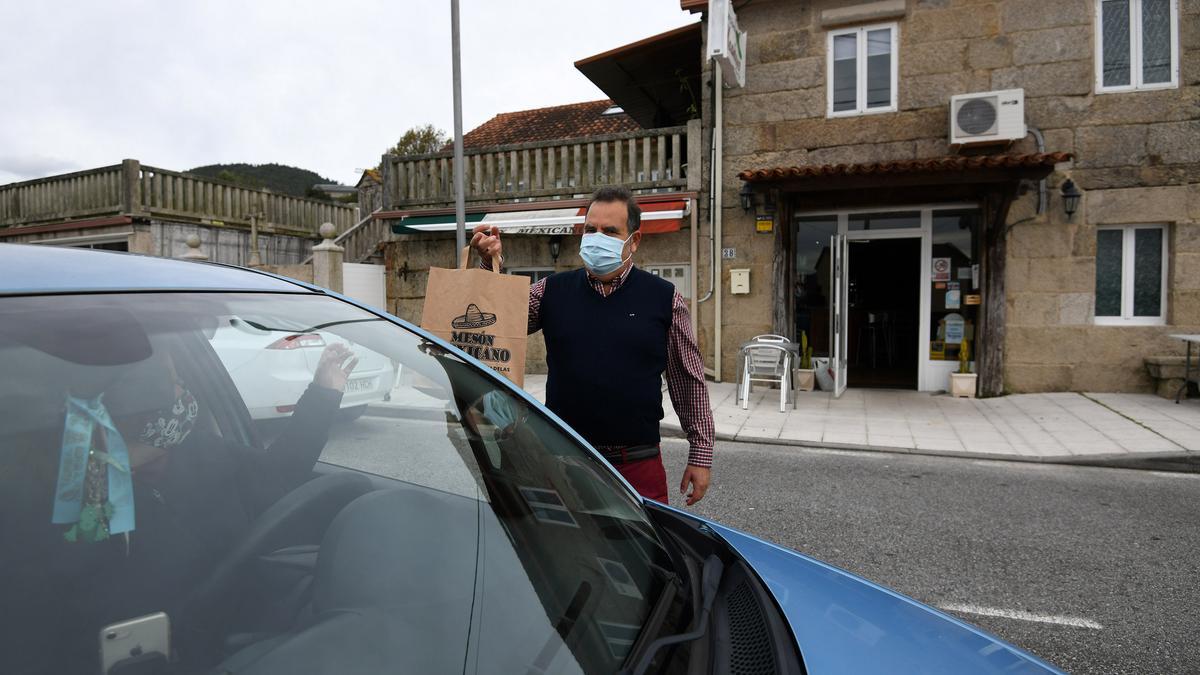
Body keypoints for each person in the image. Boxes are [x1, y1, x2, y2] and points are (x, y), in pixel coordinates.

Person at [2, 337, 358, 675]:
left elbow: (278, 474)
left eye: (178, 379)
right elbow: (45, 615)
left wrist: (324, 392)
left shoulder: (203, 450)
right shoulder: (58, 492)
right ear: (127, 407)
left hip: (231, 643)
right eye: (170, 383)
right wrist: (112, 470)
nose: (183, 394)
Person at [471, 186, 714, 505]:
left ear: (634, 240)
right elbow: (499, 324)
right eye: (590, 230)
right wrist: (490, 263)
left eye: (610, 231)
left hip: (636, 464)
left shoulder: (665, 299)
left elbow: (687, 380)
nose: (597, 238)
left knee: (641, 553)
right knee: (563, 549)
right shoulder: (550, 292)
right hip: (563, 459)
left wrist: (701, 453)